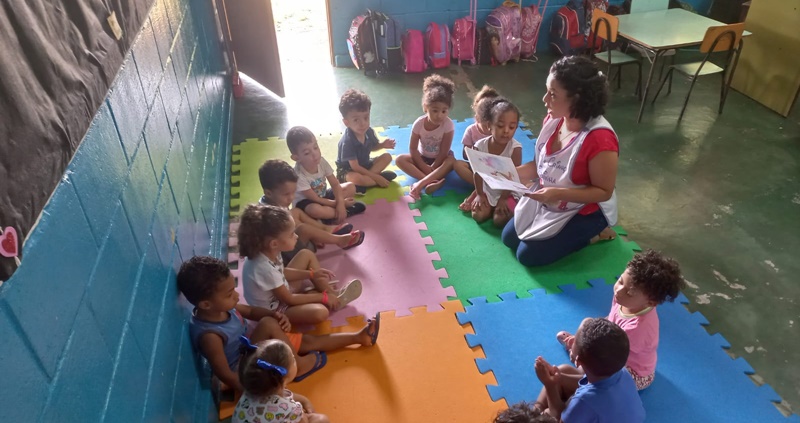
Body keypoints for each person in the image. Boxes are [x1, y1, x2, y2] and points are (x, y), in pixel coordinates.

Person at [177, 256, 380, 391]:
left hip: (252, 345)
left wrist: (274, 315)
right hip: (246, 366)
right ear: (205, 303)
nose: (237, 296)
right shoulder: (210, 336)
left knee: (305, 341)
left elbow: (250, 311)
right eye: (230, 294)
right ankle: (298, 365)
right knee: (268, 325)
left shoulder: (220, 306)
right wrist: (252, 389)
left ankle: (358, 337)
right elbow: (225, 374)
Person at [502, 56, 619, 267]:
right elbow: (541, 166)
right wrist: (507, 173)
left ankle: (595, 234)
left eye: (553, 95)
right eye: (547, 91)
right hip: (551, 197)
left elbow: (604, 191)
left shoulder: (600, 139)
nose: (545, 99)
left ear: (577, 99)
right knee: (509, 238)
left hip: (585, 209)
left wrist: (557, 193)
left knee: (527, 256)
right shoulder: (554, 119)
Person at [556, 250, 685, 390]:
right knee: (588, 324)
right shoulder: (624, 299)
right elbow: (610, 320)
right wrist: (584, 337)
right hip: (615, 346)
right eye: (620, 281)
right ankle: (579, 353)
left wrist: (584, 351)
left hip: (635, 374)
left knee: (594, 372)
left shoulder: (638, 328)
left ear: (651, 302)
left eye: (629, 292)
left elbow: (609, 353)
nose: (619, 290)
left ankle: (580, 369)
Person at [238, 203, 364, 325]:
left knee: (306, 254)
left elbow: (282, 272)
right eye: (292, 234)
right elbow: (289, 299)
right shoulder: (263, 268)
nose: (297, 236)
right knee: (320, 313)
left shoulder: (270, 250)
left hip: (283, 292)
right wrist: (322, 298)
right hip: (275, 311)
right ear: (274, 243)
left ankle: (333, 294)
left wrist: (311, 274)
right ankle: (324, 296)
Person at [533, 318, 645, 423]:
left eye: (574, 341)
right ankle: (534, 412)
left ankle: (534, 414)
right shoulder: (622, 372)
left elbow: (557, 417)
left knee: (547, 413)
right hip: (610, 410)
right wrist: (559, 378)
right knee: (563, 370)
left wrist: (549, 385)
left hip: (590, 405)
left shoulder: (584, 400)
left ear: (577, 361)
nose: (570, 342)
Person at [259, 159, 365, 255]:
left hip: (291, 239)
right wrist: (312, 237)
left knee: (295, 212)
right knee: (303, 228)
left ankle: (325, 229)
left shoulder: (271, 201)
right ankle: (339, 240)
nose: (291, 198)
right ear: (268, 193)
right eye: (286, 194)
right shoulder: (270, 216)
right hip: (292, 251)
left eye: (293, 193)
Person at [234, 338, 329, 423]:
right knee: (322, 420)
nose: (294, 358)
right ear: (281, 377)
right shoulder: (290, 409)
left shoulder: (251, 390)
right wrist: (301, 414)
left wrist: (304, 400)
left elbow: (282, 396)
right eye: (292, 358)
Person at [286, 126, 366, 223]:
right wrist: (341, 204)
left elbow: (335, 184)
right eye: (307, 153)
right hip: (307, 204)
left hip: (323, 196)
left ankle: (330, 215)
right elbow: (315, 199)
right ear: (296, 158)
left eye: (315, 147)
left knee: (350, 187)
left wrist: (340, 203)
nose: (315, 154)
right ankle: (344, 212)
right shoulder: (299, 175)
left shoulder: (321, 162)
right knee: (315, 210)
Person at [396, 74, 457, 200]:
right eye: (435, 110)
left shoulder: (448, 125)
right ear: (425, 107)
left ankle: (424, 181)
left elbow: (444, 151)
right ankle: (429, 181)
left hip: (440, 161)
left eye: (444, 111)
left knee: (451, 161)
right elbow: (413, 149)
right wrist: (424, 166)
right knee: (399, 159)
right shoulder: (419, 124)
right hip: (422, 158)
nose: (439, 115)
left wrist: (434, 167)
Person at [466, 97, 523, 228]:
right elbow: (477, 173)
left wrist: (503, 198)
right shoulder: (479, 146)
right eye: (500, 126)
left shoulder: (515, 149)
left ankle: (508, 206)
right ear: (489, 126)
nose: (506, 131)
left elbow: (513, 179)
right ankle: (490, 205)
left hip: (508, 190)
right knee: (478, 216)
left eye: (512, 126)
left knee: (499, 220)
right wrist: (480, 194)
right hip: (488, 188)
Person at [335, 88, 397, 190]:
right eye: (356, 120)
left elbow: (372, 147)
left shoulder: (368, 131)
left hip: (365, 165)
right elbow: (355, 167)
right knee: (356, 178)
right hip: (348, 171)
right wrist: (376, 176)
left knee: (387, 157)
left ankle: (366, 183)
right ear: (346, 122)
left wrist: (382, 145)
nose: (363, 123)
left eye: (366, 118)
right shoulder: (347, 141)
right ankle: (376, 180)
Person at [454, 86, 501, 211]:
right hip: (475, 169)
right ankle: (482, 187)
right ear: (477, 114)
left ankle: (481, 190)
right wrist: (474, 152)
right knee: (458, 164)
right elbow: (465, 154)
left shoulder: (498, 131)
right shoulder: (471, 130)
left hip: (493, 170)